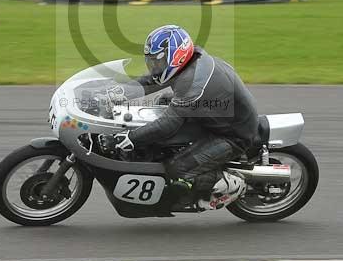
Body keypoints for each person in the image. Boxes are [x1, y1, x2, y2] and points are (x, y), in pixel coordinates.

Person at [102, 25, 260, 210]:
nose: (154, 66)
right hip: (213, 116)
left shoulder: (191, 84)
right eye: (151, 61)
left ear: (175, 56)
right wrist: (120, 92)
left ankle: (232, 184)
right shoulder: (190, 61)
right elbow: (150, 81)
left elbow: (168, 124)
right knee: (161, 108)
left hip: (233, 134)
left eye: (158, 61)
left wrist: (130, 138)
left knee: (178, 168)